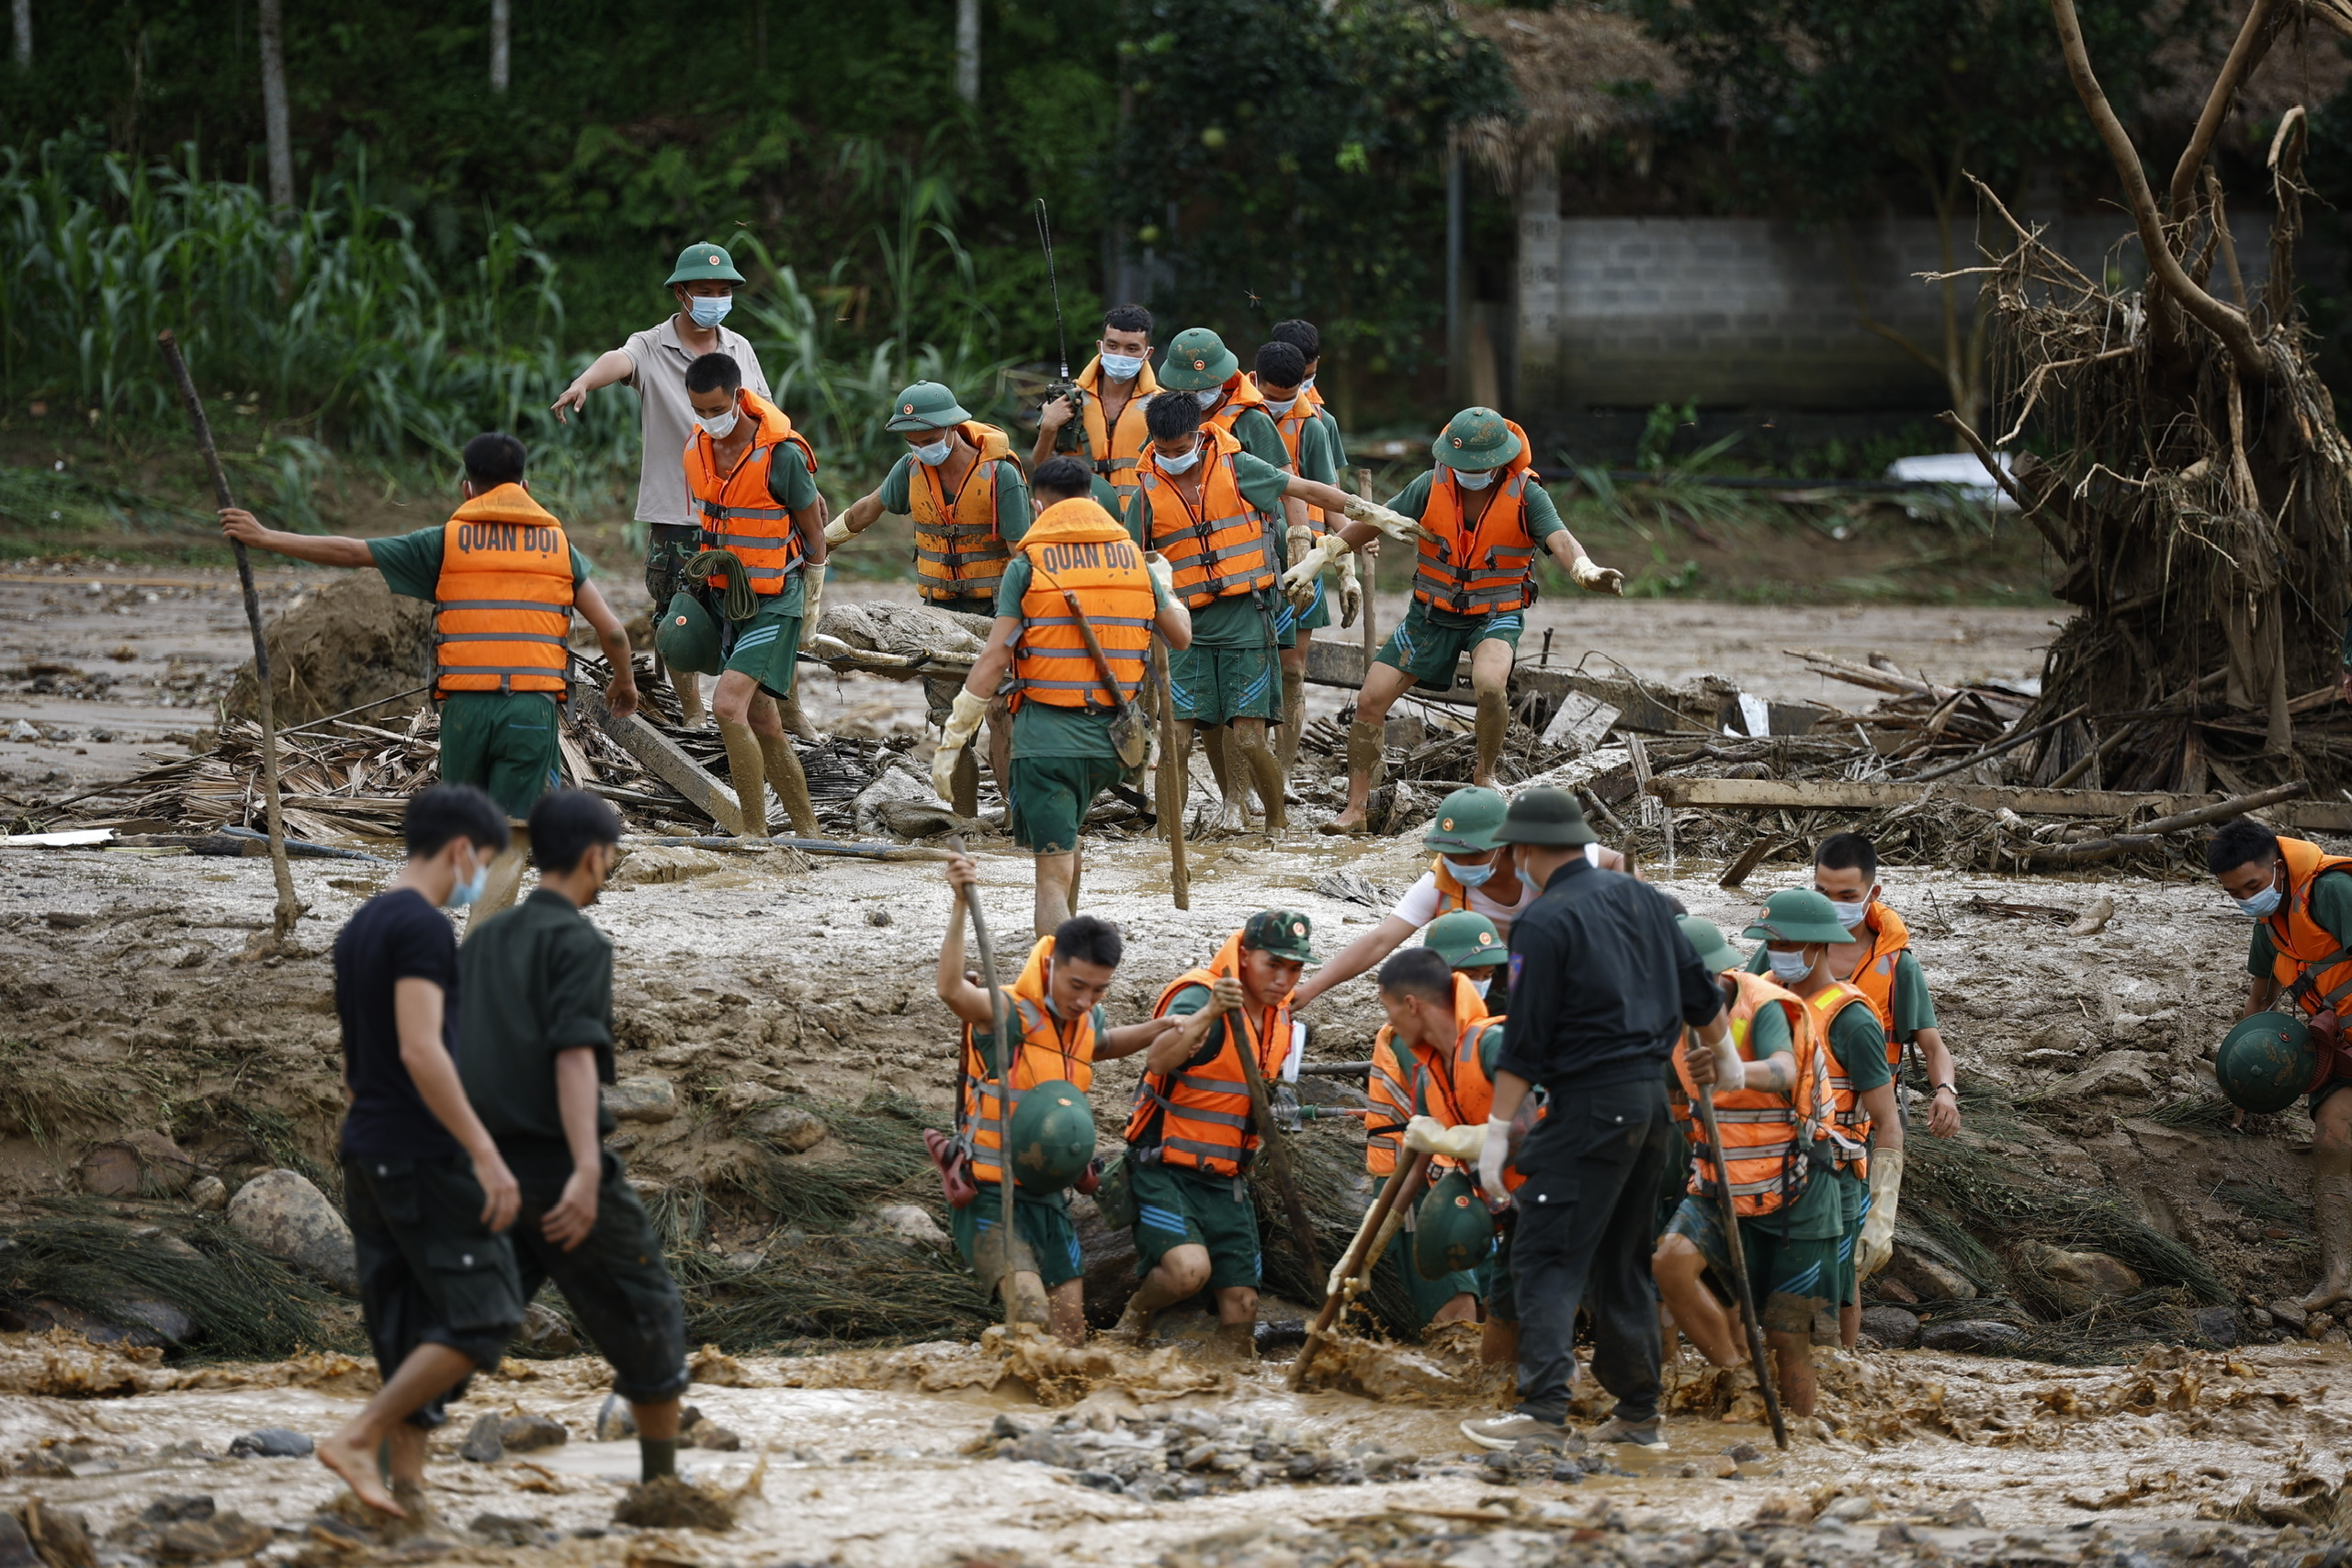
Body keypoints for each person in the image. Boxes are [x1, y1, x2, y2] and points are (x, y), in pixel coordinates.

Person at [220, 433, 638, 916]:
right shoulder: (559, 547)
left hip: (464, 709)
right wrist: (623, 683)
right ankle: (484, 935)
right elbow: (613, 634)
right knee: (513, 832)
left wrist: (265, 537)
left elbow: (353, 551)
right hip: (530, 709)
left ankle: (422, 922)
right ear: (526, 485)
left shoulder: (445, 541)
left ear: (466, 488)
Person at [1458, 788, 1728, 1453]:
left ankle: (1544, 1411)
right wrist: (1726, 1059)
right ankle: (1639, 1415)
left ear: (1521, 850)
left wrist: (1496, 1134)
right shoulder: (1642, 897)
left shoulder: (1544, 921)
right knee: (1621, 1256)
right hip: (1648, 1112)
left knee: (1544, 1250)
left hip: (1588, 1106)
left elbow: (1525, 1041)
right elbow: (1704, 996)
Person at [454, 789, 689, 1490]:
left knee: (467, 1325)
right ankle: (661, 1489)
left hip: (485, 1166)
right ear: (596, 858)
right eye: (611, 856)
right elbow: (575, 1058)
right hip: (558, 1165)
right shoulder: (581, 942)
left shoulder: (485, 936)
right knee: (649, 1308)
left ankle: (389, 1468)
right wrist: (588, 1168)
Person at [318, 784, 524, 1518]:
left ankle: (405, 1496)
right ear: (462, 850)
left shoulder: (361, 924)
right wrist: (483, 1152)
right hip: (418, 1150)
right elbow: (421, 1047)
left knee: (404, 1327)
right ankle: (358, 1437)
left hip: (367, 1150)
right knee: (484, 1315)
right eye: (490, 861)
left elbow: (352, 1067)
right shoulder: (423, 928)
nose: (488, 877)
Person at [1282, 409, 1624, 834]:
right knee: (1370, 701)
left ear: (1499, 462)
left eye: (1476, 468)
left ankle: (1485, 773)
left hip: (1495, 613)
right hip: (1431, 613)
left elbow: (1561, 538)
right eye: (1459, 466)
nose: (1466, 474)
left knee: (1489, 684)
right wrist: (1319, 557)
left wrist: (1585, 570)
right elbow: (1371, 521)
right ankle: (1356, 807)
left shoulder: (1527, 495)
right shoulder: (1431, 484)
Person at [933, 457, 1193, 938]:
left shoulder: (1027, 565)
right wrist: (1169, 590)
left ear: (1038, 506)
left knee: (1050, 876)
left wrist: (952, 739)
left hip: (1048, 743)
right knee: (1068, 841)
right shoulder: (1134, 560)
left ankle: (1053, 972)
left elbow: (993, 661)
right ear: (1094, 501)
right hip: (1115, 747)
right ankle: (1070, 944)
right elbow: (1179, 637)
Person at [933, 856, 1174, 1342]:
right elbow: (951, 990)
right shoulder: (1007, 1014)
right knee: (1030, 1312)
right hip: (990, 1197)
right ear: (1051, 964)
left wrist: (1158, 1028)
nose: (1085, 1000)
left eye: (1099, 990)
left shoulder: (1085, 1024)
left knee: (1070, 1333)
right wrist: (961, 904)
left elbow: (1104, 1047)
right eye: (1076, 985)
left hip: (1048, 1200)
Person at [1123, 390, 1363, 835]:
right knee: (1175, 740)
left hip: (1248, 619)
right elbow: (1132, 563)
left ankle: (1276, 825)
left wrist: (1366, 514)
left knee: (1250, 738)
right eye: (1162, 450)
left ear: (1197, 436)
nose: (1171, 458)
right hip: (1187, 629)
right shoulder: (1147, 490)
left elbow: (1304, 490)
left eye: (1179, 450)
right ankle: (1165, 843)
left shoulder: (1237, 468)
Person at [549, 241, 769, 729]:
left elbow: (767, 417)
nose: (715, 299)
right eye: (704, 291)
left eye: (722, 291)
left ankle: (761, 709)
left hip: (741, 506)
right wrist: (585, 382)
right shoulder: (651, 346)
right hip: (678, 508)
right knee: (678, 612)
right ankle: (693, 712)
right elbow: (618, 359)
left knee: (751, 606)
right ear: (682, 294)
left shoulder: (740, 348)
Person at [1656, 917, 1852, 1419]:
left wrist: (1733, 1071)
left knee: (1788, 1335)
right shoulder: (1665, 1020)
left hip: (1797, 1188)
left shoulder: (1763, 1007)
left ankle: (1803, 1436)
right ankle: (1738, 1376)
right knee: (1669, 1263)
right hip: (1718, 1182)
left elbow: (1784, 1068)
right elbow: (1666, 1094)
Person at [829, 381, 1033, 816]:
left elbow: (1022, 554)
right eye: (912, 441)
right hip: (939, 615)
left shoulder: (1001, 475)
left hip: (997, 612)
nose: (921, 449)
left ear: (953, 428)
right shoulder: (910, 470)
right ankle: (965, 823)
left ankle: (1021, 819)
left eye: (927, 440)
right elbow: (868, 509)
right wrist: (820, 545)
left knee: (1001, 715)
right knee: (952, 727)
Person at [1116, 910, 1317, 1354]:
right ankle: (1137, 1315)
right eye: (1274, 965)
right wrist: (1210, 1013)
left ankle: (1228, 1385)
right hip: (1164, 1167)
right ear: (1243, 956)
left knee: (1244, 1306)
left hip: (1227, 1177)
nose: (1284, 979)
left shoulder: (1278, 1016)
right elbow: (1158, 1060)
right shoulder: (1197, 997)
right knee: (1189, 1272)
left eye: (1295, 968)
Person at [1292, 785, 1626, 1013]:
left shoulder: (1544, 854)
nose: (1459, 865)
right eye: (1450, 854)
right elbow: (1379, 941)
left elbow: (1617, 861)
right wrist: (1309, 989)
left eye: (1471, 856)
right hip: (1499, 971)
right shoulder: (1442, 880)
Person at [1745, 887, 1903, 1350]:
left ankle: (1841, 1370)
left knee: (1838, 1282)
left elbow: (1886, 1120)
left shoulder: (1851, 1019)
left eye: (1787, 944)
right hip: (1768, 1165)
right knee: (1770, 1289)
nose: (1777, 954)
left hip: (1835, 1174)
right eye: (1771, 944)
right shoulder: (1760, 996)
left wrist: (1882, 1211)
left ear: (1819, 946)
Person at [679, 351, 826, 839]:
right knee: (762, 717)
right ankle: (808, 833)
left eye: (716, 409)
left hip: (776, 599)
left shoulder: (781, 456)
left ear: (740, 397)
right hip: (727, 601)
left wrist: (812, 598)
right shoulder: (697, 448)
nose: (709, 420)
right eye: (699, 411)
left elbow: (814, 530)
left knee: (726, 706)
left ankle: (754, 832)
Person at [2212, 818, 2352, 1309]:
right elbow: (2260, 999)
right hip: (2341, 1052)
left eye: (2252, 885)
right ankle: (2339, 1276)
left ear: (2276, 862)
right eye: (2234, 893)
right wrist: (2240, 1088)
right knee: (2332, 1140)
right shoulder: (2267, 925)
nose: (2247, 898)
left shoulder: (2334, 890)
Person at [1747, 833, 1958, 1137]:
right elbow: (1738, 1015)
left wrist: (1945, 1091)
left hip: (1857, 1129)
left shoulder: (1898, 967)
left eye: (1846, 897)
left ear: (1873, 893)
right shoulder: (1784, 949)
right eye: (1822, 892)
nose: (1832, 906)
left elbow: (1933, 1046)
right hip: (1778, 1122)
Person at [1361, 936, 1499, 1334]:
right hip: (1423, 1189)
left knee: (1501, 1312)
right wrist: (1369, 1242)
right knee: (1458, 1313)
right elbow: (1421, 1150)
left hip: (1477, 1187)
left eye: (1486, 976)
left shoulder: (1483, 1042)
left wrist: (1456, 1143)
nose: (1478, 985)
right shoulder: (1421, 1048)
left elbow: (1520, 1127)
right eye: (1470, 975)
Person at [1249, 339, 1357, 775]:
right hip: (1248, 557)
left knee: (1293, 672)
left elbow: (1328, 496)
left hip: (1303, 560)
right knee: (1252, 670)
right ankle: (1251, 773)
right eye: (1270, 398)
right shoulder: (1233, 421)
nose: (1278, 406)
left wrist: (1346, 560)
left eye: (1287, 398)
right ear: (1254, 382)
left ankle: (1287, 771)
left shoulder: (1312, 426)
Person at [1032, 304, 1159, 502]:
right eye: (1113, 346)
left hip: (1136, 527)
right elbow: (1041, 469)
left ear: (1148, 353)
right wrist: (1048, 427)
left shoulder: (1162, 404)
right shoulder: (1068, 399)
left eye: (1132, 348)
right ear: (1100, 346)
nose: (1120, 356)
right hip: (1079, 520)